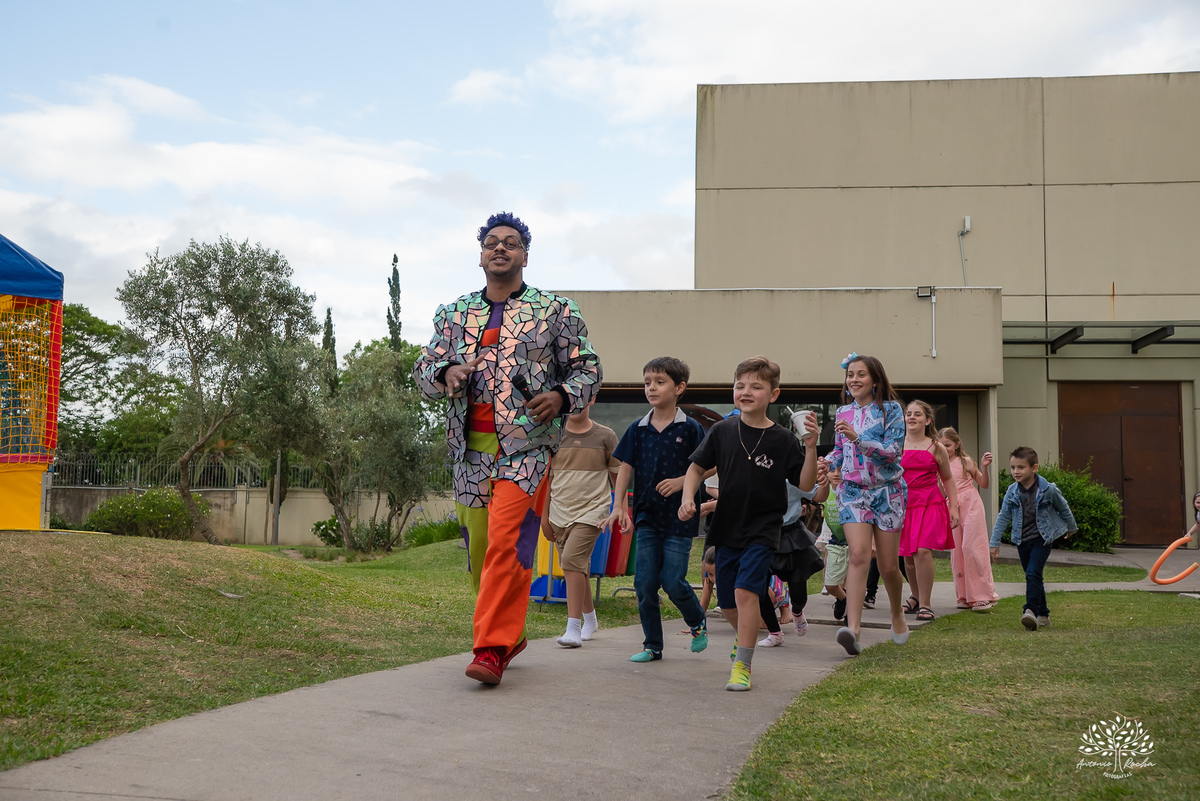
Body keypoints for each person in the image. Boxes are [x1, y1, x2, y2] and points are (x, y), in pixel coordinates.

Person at [413, 211, 602, 685]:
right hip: (470, 454)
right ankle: (509, 633)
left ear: (524, 255)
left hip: (528, 449)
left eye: (511, 243)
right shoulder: (452, 314)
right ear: (481, 255)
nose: (500, 248)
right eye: (492, 243)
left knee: (506, 543)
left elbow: (588, 370)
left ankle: (492, 649)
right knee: (482, 554)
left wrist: (560, 397)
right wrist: (446, 373)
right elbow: (423, 371)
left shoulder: (556, 311)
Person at [679, 355, 819, 691]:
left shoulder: (784, 439)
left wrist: (811, 448)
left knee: (746, 591)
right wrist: (688, 498)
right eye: (740, 385)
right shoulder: (723, 431)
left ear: (773, 395)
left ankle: (743, 664)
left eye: (756, 386)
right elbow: (696, 468)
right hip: (726, 529)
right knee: (727, 602)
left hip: (764, 529)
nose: (745, 391)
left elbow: (805, 484)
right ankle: (744, 640)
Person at [607, 357, 709, 663]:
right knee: (644, 583)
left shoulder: (691, 428)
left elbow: (708, 464)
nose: (652, 388)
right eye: (648, 382)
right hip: (647, 514)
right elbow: (626, 468)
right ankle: (653, 645)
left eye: (660, 382)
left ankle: (696, 620)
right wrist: (619, 507)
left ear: (679, 388)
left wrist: (682, 482)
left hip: (681, 515)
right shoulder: (637, 428)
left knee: (673, 580)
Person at [820, 352, 909, 656]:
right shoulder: (843, 412)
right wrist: (826, 462)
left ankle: (897, 614)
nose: (854, 380)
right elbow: (838, 451)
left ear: (874, 380)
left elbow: (893, 453)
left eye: (860, 375)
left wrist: (858, 439)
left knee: (887, 567)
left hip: (887, 492)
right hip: (853, 491)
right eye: (850, 375)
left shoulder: (892, 410)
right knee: (858, 554)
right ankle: (853, 629)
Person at [543, 397, 619, 647]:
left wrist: (619, 510)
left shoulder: (606, 436)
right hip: (559, 513)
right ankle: (590, 620)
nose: (575, 405)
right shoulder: (553, 436)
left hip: (592, 511)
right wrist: (545, 517)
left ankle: (572, 628)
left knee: (571, 561)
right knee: (577, 568)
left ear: (593, 398)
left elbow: (618, 476)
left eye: (581, 398)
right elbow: (547, 482)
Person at [989, 446, 1077, 631]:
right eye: (1013, 467)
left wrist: (1071, 527)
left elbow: (1063, 508)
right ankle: (1044, 614)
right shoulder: (1012, 492)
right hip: (1022, 540)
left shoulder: (1048, 490)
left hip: (1042, 539)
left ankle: (1030, 610)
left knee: (1032, 574)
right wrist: (994, 543)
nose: (1015, 472)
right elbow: (1003, 516)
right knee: (1034, 576)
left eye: (1021, 467)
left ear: (1034, 468)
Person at [898, 400, 959, 623]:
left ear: (928, 420)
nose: (912, 417)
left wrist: (953, 507)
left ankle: (926, 603)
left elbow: (948, 478)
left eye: (917, 414)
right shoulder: (896, 444)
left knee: (922, 551)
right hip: (903, 505)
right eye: (908, 414)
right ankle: (914, 595)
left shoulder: (936, 446)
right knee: (908, 555)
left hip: (930, 502)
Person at [938, 426, 999, 611]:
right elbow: (941, 491)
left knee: (972, 547)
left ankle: (983, 594)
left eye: (947, 445)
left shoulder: (965, 461)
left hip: (971, 504)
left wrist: (984, 468)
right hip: (952, 507)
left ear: (956, 445)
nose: (944, 448)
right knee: (957, 551)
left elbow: (984, 484)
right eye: (941, 445)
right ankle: (964, 595)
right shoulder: (938, 465)